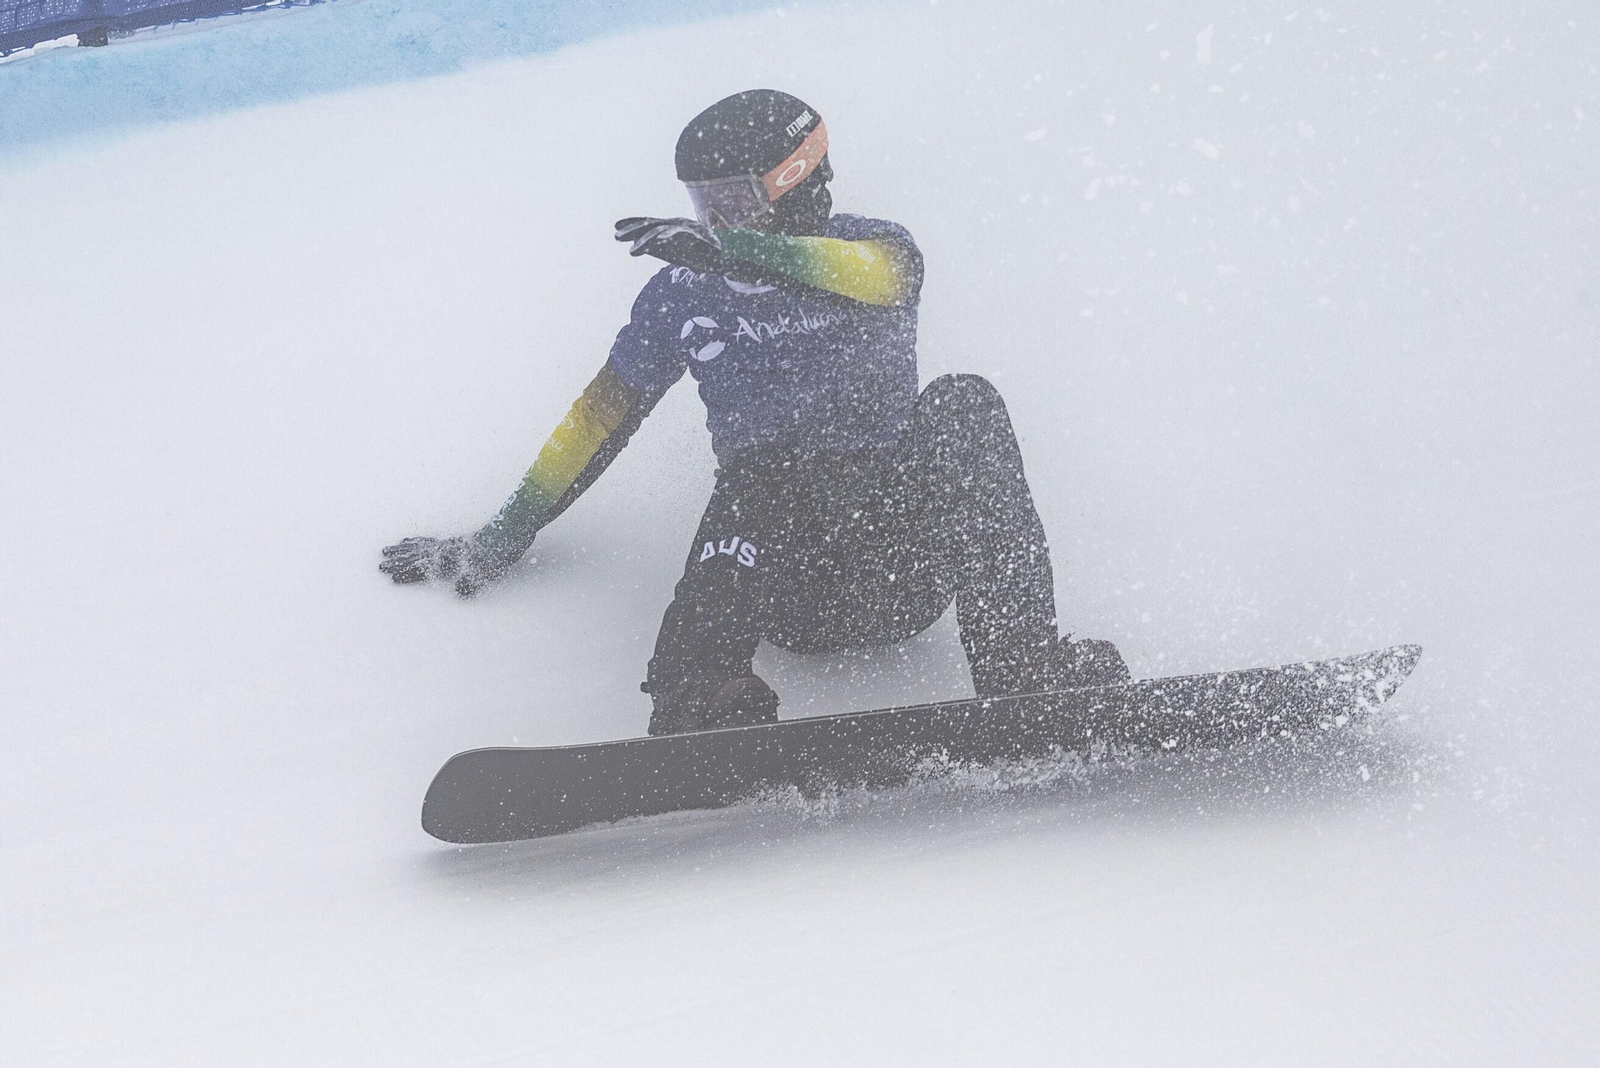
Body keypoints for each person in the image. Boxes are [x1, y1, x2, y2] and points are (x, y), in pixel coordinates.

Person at [381, 89, 1129, 735]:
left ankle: (1026, 668)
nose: (715, 221)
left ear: (798, 181)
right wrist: (501, 536)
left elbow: (866, 277)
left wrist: (731, 251)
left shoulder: (881, 252)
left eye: (734, 202)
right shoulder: (681, 296)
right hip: (787, 589)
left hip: (907, 569)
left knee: (968, 402)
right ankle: (702, 692)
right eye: (706, 206)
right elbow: (597, 421)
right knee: (768, 460)